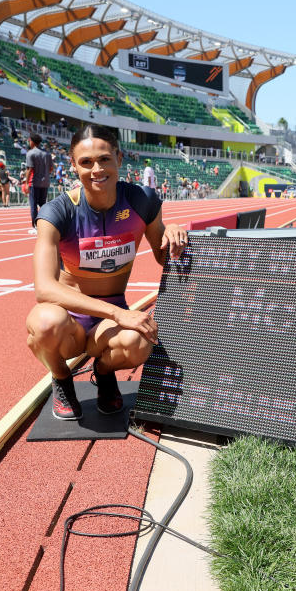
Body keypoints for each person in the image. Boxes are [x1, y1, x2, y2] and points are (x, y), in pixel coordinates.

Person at [26, 124, 186, 421]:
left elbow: (165, 257)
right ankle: (61, 379)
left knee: (139, 344)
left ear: (119, 159)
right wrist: (118, 314)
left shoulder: (142, 201)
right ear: (73, 166)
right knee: (44, 323)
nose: (96, 169)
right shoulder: (56, 213)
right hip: (70, 318)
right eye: (86, 162)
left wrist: (173, 233)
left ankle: (103, 371)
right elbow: (44, 289)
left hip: (109, 320)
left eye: (104, 159)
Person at [23, 133, 53, 231]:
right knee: (43, 205)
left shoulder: (31, 153)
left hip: (34, 182)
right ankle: (47, 223)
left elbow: (30, 169)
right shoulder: (47, 154)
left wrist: (26, 183)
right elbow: (51, 168)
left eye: (29, 140)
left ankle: (35, 226)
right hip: (45, 182)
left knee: (33, 205)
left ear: (31, 141)